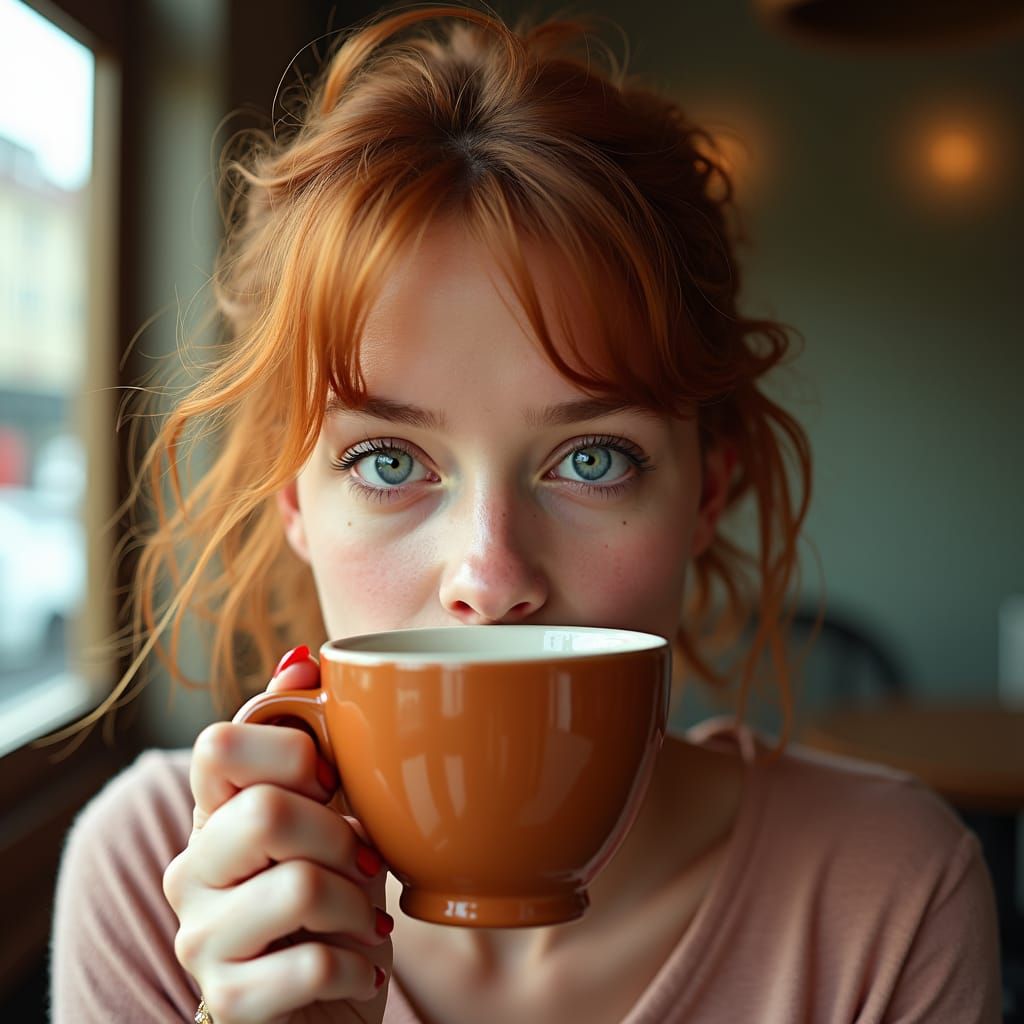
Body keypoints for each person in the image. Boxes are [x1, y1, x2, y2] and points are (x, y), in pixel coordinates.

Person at [49, 4, 1001, 1022]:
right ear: (294, 501)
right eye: (385, 458)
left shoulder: (889, 893)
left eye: (591, 458)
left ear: (706, 493)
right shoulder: (158, 883)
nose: (491, 575)